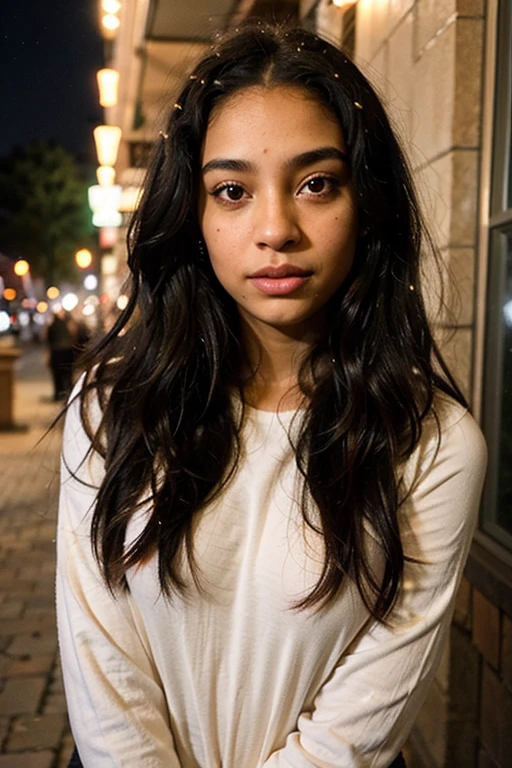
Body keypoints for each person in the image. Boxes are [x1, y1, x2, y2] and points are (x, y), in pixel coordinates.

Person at [56, 22, 487, 768]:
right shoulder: (112, 406)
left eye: (316, 183)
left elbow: (350, 737)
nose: (276, 229)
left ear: (366, 202)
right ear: (193, 217)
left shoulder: (434, 442)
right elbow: (106, 684)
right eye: (232, 191)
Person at [46, 309, 74, 401]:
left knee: (57, 376)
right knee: (68, 375)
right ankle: (69, 394)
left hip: (57, 352)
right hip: (67, 352)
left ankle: (58, 394)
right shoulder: (68, 325)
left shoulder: (52, 326)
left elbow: (49, 340)